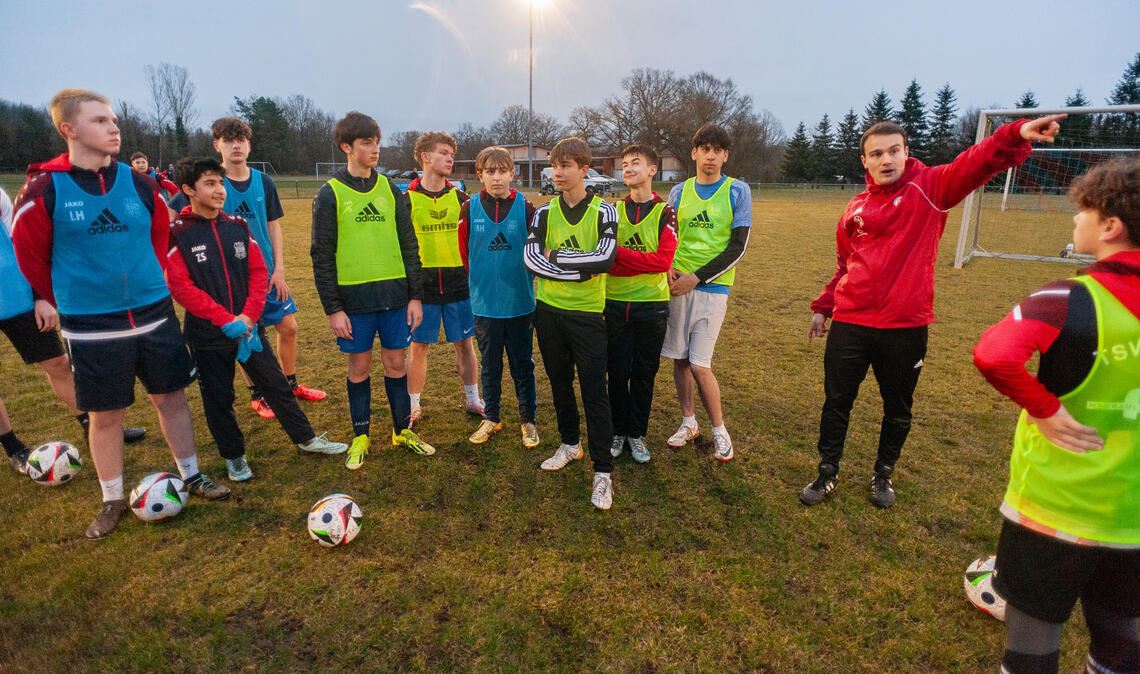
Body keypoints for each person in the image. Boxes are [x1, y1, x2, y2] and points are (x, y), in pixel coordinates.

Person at [799, 114, 1066, 509]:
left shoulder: (932, 187)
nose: (887, 159)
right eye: (877, 153)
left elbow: (976, 163)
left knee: (898, 407)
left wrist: (1014, 134)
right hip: (851, 323)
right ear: (864, 161)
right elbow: (845, 264)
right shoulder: (854, 208)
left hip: (905, 327)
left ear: (907, 153)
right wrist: (824, 307)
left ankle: (883, 474)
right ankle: (827, 471)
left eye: (894, 151)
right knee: (837, 401)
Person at [12, 88, 229, 540]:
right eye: (99, 121)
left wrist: (145, 282)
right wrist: (70, 296)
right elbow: (30, 255)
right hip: (91, 325)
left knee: (171, 397)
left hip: (153, 313)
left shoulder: (141, 182)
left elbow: (156, 240)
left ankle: (191, 475)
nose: (114, 127)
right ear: (68, 129)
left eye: (113, 119)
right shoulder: (45, 188)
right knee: (105, 414)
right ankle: (112, 497)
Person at [972, 156, 1139, 674]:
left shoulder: (1067, 296)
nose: (1074, 220)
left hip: (1053, 509)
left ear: (1111, 226)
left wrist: (1043, 407)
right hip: (1132, 518)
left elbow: (994, 353)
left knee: (1032, 649)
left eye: (1083, 211)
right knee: (1121, 642)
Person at [165, 157, 347, 482]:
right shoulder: (178, 233)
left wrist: (248, 316)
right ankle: (234, 457)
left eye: (220, 183)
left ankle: (306, 439)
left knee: (277, 385)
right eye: (209, 184)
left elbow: (258, 270)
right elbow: (180, 285)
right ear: (188, 190)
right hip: (208, 336)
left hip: (249, 329)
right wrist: (224, 320)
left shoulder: (236, 225)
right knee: (219, 398)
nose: (219, 190)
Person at [170, 117, 326, 421]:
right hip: (232, 280)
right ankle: (259, 394)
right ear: (217, 145)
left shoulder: (263, 181)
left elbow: (273, 225)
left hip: (266, 273)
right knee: (247, 335)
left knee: (288, 327)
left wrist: (279, 268)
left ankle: (289, 383)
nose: (236, 144)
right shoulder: (209, 182)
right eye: (229, 140)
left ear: (249, 144)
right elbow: (175, 213)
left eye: (241, 139)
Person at [310, 111, 435, 469]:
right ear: (346, 146)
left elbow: (410, 246)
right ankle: (361, 435)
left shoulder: (392, 191)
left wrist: (415, 296)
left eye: (377, 141)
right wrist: (333, 309)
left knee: (396, 363)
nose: (375, 149)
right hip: (353, 302)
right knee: (360, 366)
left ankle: (401, 431)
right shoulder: (330, 194)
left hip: (395, 298)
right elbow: (321, 255)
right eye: (366, 142)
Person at [1, 185, 147, 471]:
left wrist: (40, 295)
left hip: (15, 294)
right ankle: (13, 447)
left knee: (58, 362)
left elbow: (23, 243)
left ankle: (92, 425)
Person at [524, 136, 618, 510]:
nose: (557, 172)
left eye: (565, 166)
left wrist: (557, 258)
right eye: (554, 165)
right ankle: (569, 444)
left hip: (588, 315)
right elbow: (532, 259)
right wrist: (577, 270)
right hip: (547, 312)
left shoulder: (604, 210)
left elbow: (605, 258)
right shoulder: (544, 213)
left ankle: (603, 471)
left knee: (595, 390)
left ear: (584, 169)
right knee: (560, 383)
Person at [663, 123, 752, 463]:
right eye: (705, 149)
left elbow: (738, 246)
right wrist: (669, 267)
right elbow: (668, 238)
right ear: (694, 153)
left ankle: (719, 431)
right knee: (680, 359)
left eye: (718, 150)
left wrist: (697, 278)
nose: (711, 156)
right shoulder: (678, 192)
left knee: (701, 364)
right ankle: (689, 423)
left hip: (711, 288)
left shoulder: (737, 191)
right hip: (678, 284)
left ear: (725, 155)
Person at [457, 146, 538, 447]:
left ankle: (528, 420)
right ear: (480, 175)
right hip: (485, 305)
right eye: (490, 171)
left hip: (519, 303)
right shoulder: (469, 208)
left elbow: (536, 252)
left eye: (503, 171)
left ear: (512, 173)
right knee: (490, 365)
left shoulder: (527, 208)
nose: (497, 177)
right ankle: (491, 417)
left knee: (522, 366)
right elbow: (465, 253)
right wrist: (481, 281)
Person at [405, 131, 482, 426]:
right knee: (418, 347)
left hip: (458, 286)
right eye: (443, 152)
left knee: (465, 344)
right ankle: (413, 405)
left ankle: (473, 399)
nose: (450, 158)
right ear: (425, 157)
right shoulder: (405, 200)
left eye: (451, 153)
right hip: (421, 289)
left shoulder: (464, 200)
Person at [606, 144, 677, 464]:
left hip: (652, 306)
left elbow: (663, 261)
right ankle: (617, 431)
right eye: (624, 164)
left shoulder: (666, 212)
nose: (628, 168)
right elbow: (605, 260)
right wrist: (637, 261)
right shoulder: (612, 211)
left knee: (644, 373)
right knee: (617, 372)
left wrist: (621, 257)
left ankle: (637, 434)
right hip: (615, 304)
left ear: (652, 170)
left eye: (636, 163)